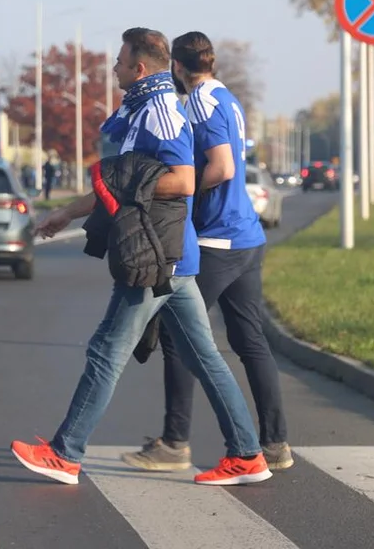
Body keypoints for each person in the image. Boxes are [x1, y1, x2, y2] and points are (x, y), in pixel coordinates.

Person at [10, 27, 270, 487]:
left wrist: (130, 187)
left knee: (107, 351)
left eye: (120, 60)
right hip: (173, 258)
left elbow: (185, 181)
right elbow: (119, 183)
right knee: (206, 358)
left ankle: (64, 453)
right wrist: (66, 213)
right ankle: (248, 455)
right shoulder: (140, 110)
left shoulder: (162, 112)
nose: (114, 67)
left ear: (140, 67)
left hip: (156, 255)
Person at [121, 31, 292, 475]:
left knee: (179, 339)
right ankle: (275, 443)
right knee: (250, 341)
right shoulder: (227, 98)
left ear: (176, 66)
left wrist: (186, 192)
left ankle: (175, 442)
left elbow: (222, 167)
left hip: (218, 238)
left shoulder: (198, 102)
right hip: (247, 237)